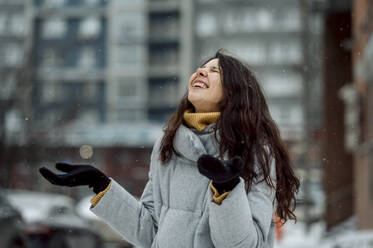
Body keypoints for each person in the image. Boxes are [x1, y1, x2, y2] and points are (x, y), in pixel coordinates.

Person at [39, 50, 300, 248]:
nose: (200, 72)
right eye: (200, 68)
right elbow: (150, 232)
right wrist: (101, 185)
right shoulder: (169, 146)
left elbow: (244, 245)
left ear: (235, 92)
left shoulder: (255, 150)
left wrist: (227, 191)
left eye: (214, 71)